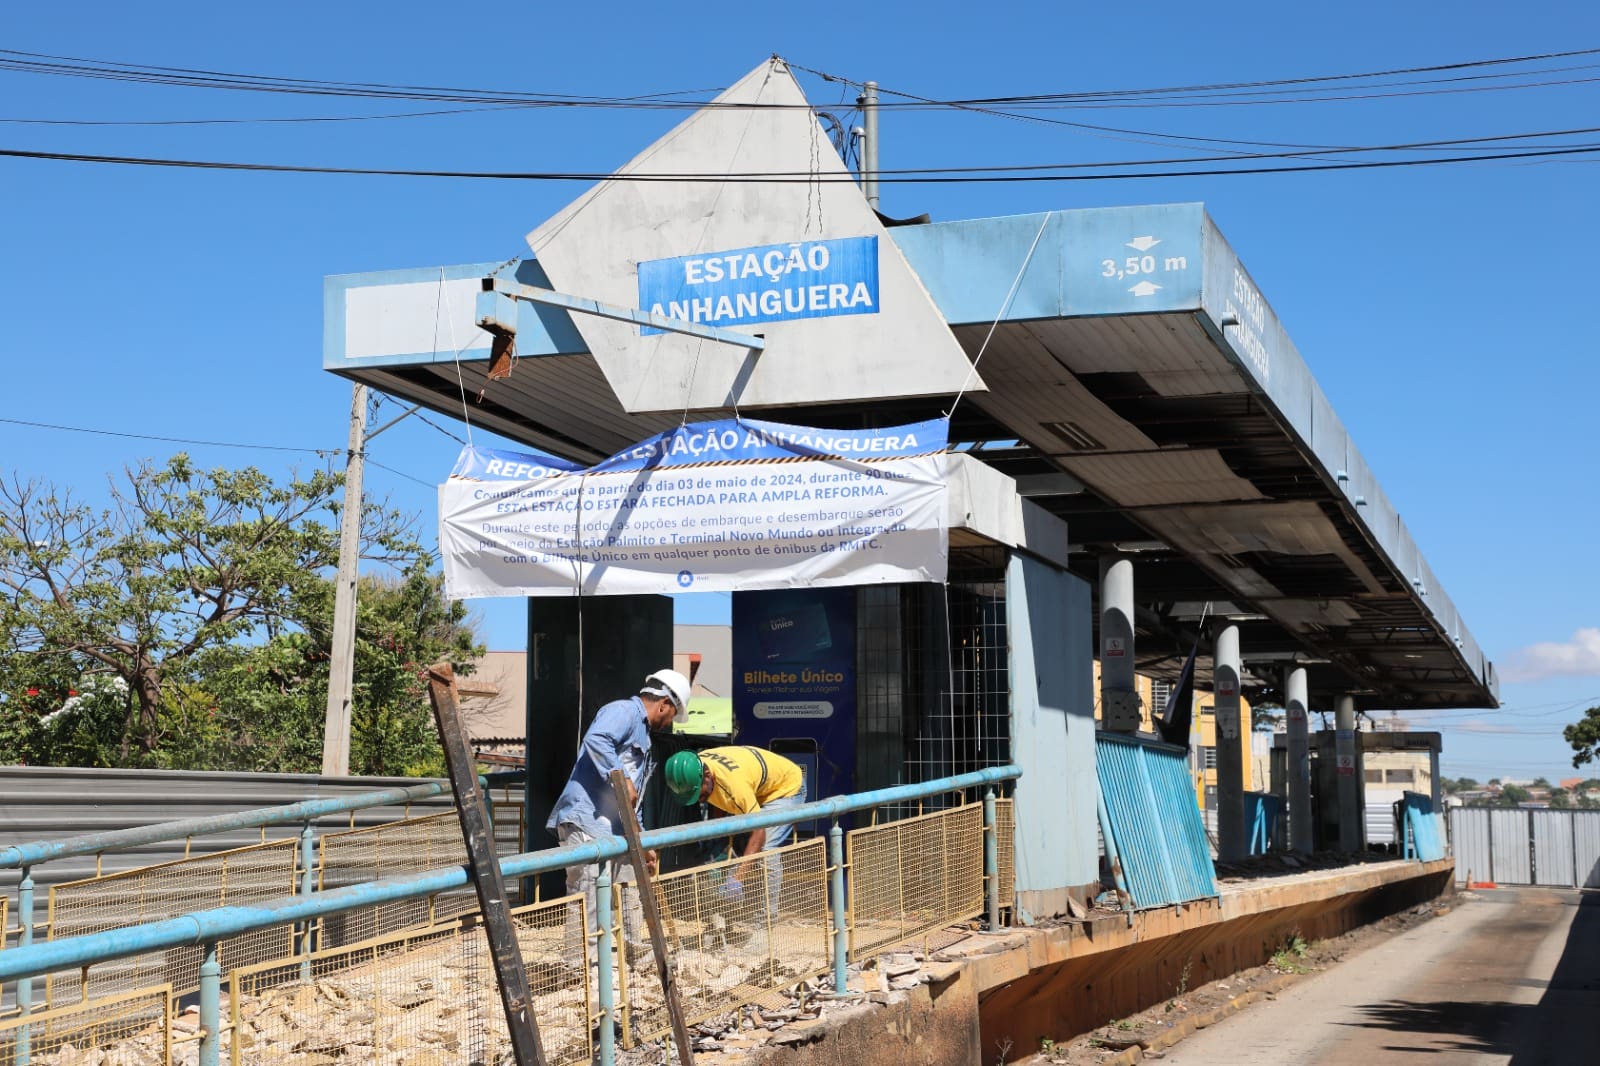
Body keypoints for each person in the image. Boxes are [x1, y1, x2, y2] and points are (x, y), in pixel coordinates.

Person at [547, 668, 690, 970]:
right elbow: (597, 739)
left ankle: (633, 955)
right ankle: (576, 967)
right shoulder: (624, 711)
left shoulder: (644, 740)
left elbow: (631, 801)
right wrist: (621, 778)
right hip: (587, 821)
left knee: (629, 888)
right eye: (672, 715)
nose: (670, 723)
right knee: (586, 895)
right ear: (664, 704)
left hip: (616, 828)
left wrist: (643, 842)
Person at [663, 746, 807, 915]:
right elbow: (719, 801)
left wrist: (737, 879)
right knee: (724, 847)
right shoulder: (697, 766)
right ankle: (723, 916)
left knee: (766, 849)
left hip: (786, 788)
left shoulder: (734, 787)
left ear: (707, 776)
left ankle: (764, 922)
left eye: (699, 795)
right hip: (755, 787)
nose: (698, 801)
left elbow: (759, 832)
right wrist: (719, 839)